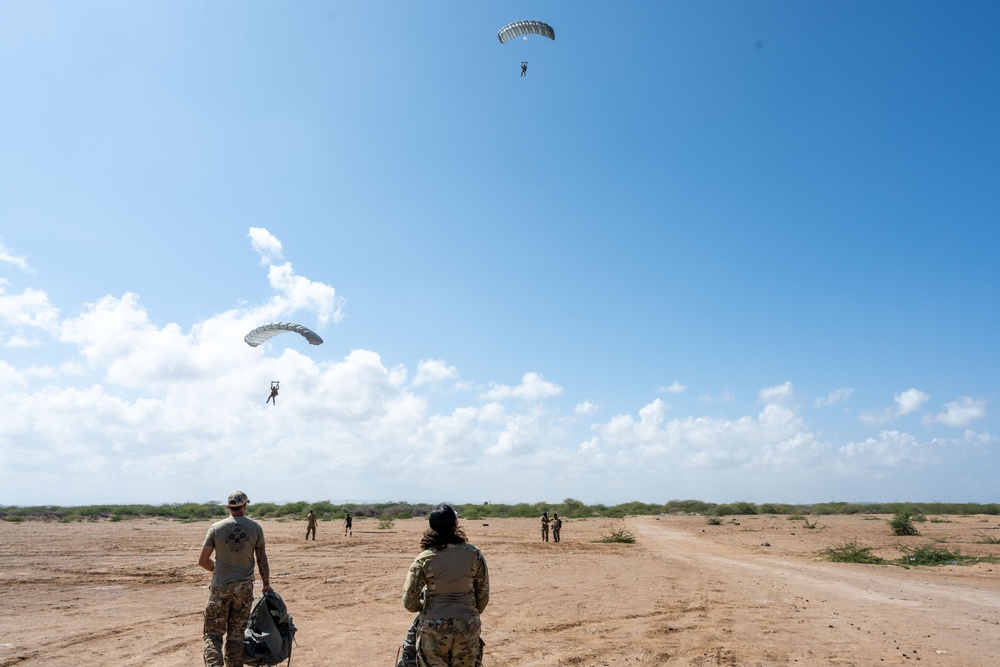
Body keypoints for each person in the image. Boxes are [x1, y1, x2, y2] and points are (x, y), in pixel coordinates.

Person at [403, 503, 490, 667]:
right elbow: (483, 594)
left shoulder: (424, 558)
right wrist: (469, 611)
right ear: (455, 525)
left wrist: (426, 606)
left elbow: (409, 602)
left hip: (433, 628)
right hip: (467, 625)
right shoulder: (473, 554)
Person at [199, 491, 272, 667]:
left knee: (212, 635)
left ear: (228, 507)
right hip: (244, 588)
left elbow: (202, 561)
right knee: (237, 633)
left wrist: (217, 570)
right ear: (245, 506)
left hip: (220, 587)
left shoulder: (216, 528)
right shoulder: (255, 528)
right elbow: (262, 559)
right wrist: (266, 584)